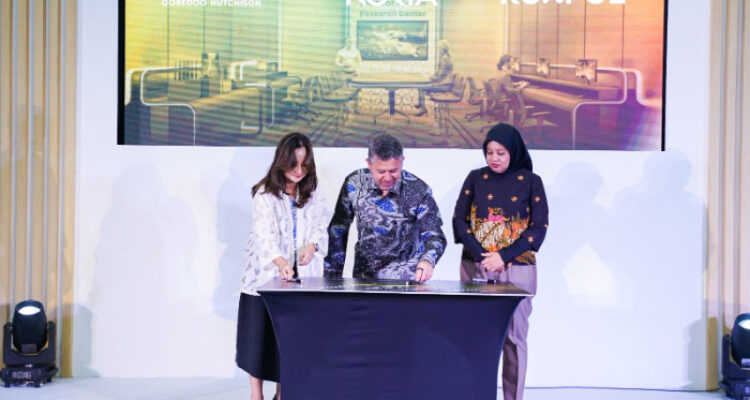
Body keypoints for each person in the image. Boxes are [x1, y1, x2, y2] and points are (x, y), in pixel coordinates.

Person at [452, 123, 548, 400]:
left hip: (517, 269)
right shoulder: (475, 178)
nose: (494, 158)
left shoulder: (531, 181)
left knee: (515, 339)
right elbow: (459, 220)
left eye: (501, 153)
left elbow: (538, 227)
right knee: (475, 337)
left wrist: (502, 256)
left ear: (513, 152)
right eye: (489, 152)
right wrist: (483, 255)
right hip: (476, 266)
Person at [236, 132, 329, 400]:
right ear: (281, 161)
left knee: (288, 340)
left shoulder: (313, 191)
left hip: (300, 278)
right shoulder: (265, 194)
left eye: (304, 164)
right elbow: (263, 235)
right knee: (257, 339)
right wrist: (279, 261)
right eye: (293, 164)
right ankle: (256, 394)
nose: (299, 171)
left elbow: (320, 226)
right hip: (265, 276)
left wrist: (312, 246)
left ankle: (282, 392)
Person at [324, 133, 446, 281]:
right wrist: (332, 279)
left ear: (402, 161)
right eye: (381, 171)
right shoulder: (354, 184)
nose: (387, 178)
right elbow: (338, 230)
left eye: (393, 171)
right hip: (364, 278)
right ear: (369, 164)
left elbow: (435, 235)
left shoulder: (419, 190)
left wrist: (427, 260)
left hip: (405, 278)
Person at [415, 39, 454, 117]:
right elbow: (438, 73)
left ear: (442, 49)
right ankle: (421, 105)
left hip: (445, 86)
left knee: (421, 87)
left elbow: (440, 76)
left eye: (439, 48)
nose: (438, 50)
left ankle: (422, 108)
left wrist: (429, 79)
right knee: (421, 86)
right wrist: (430, 77)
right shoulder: (444, 58)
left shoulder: (445, 59)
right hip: (443, 84)